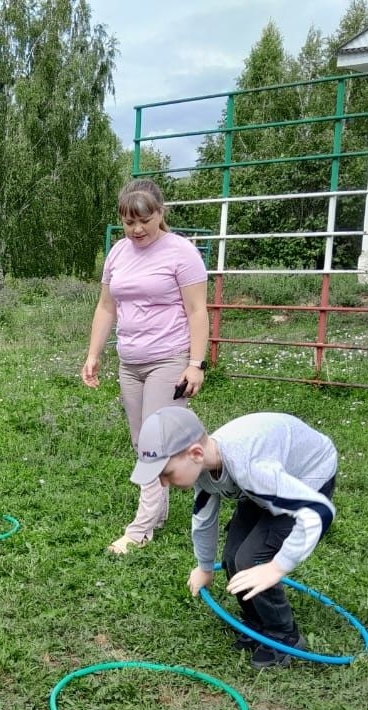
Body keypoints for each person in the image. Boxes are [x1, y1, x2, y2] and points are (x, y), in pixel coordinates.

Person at [131, 406, 337, 670]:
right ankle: (257, 622)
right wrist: (205, 567)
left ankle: (283, 636)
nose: (163, 483)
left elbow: (318, 512)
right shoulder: (204, 468)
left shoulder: (252, 468)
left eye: (166, 473)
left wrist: (277, 567)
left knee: (251, 559)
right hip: (263, 486)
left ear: (195, 453)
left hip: (307, 477)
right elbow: (204, 519)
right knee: (232, 557)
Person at [81, 178, 210, 555]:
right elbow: (107, 307)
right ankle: (159, 512)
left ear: (160, 214)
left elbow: (197, 311)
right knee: (143, 442)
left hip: (169, 359)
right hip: (131, 361)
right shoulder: (119, 253)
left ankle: (139, 530)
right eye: (128, 222)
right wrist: (94, 354)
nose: (137, 229)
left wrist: (195, 364)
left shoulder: (181, 252)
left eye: (145, 220)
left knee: (155, 444)